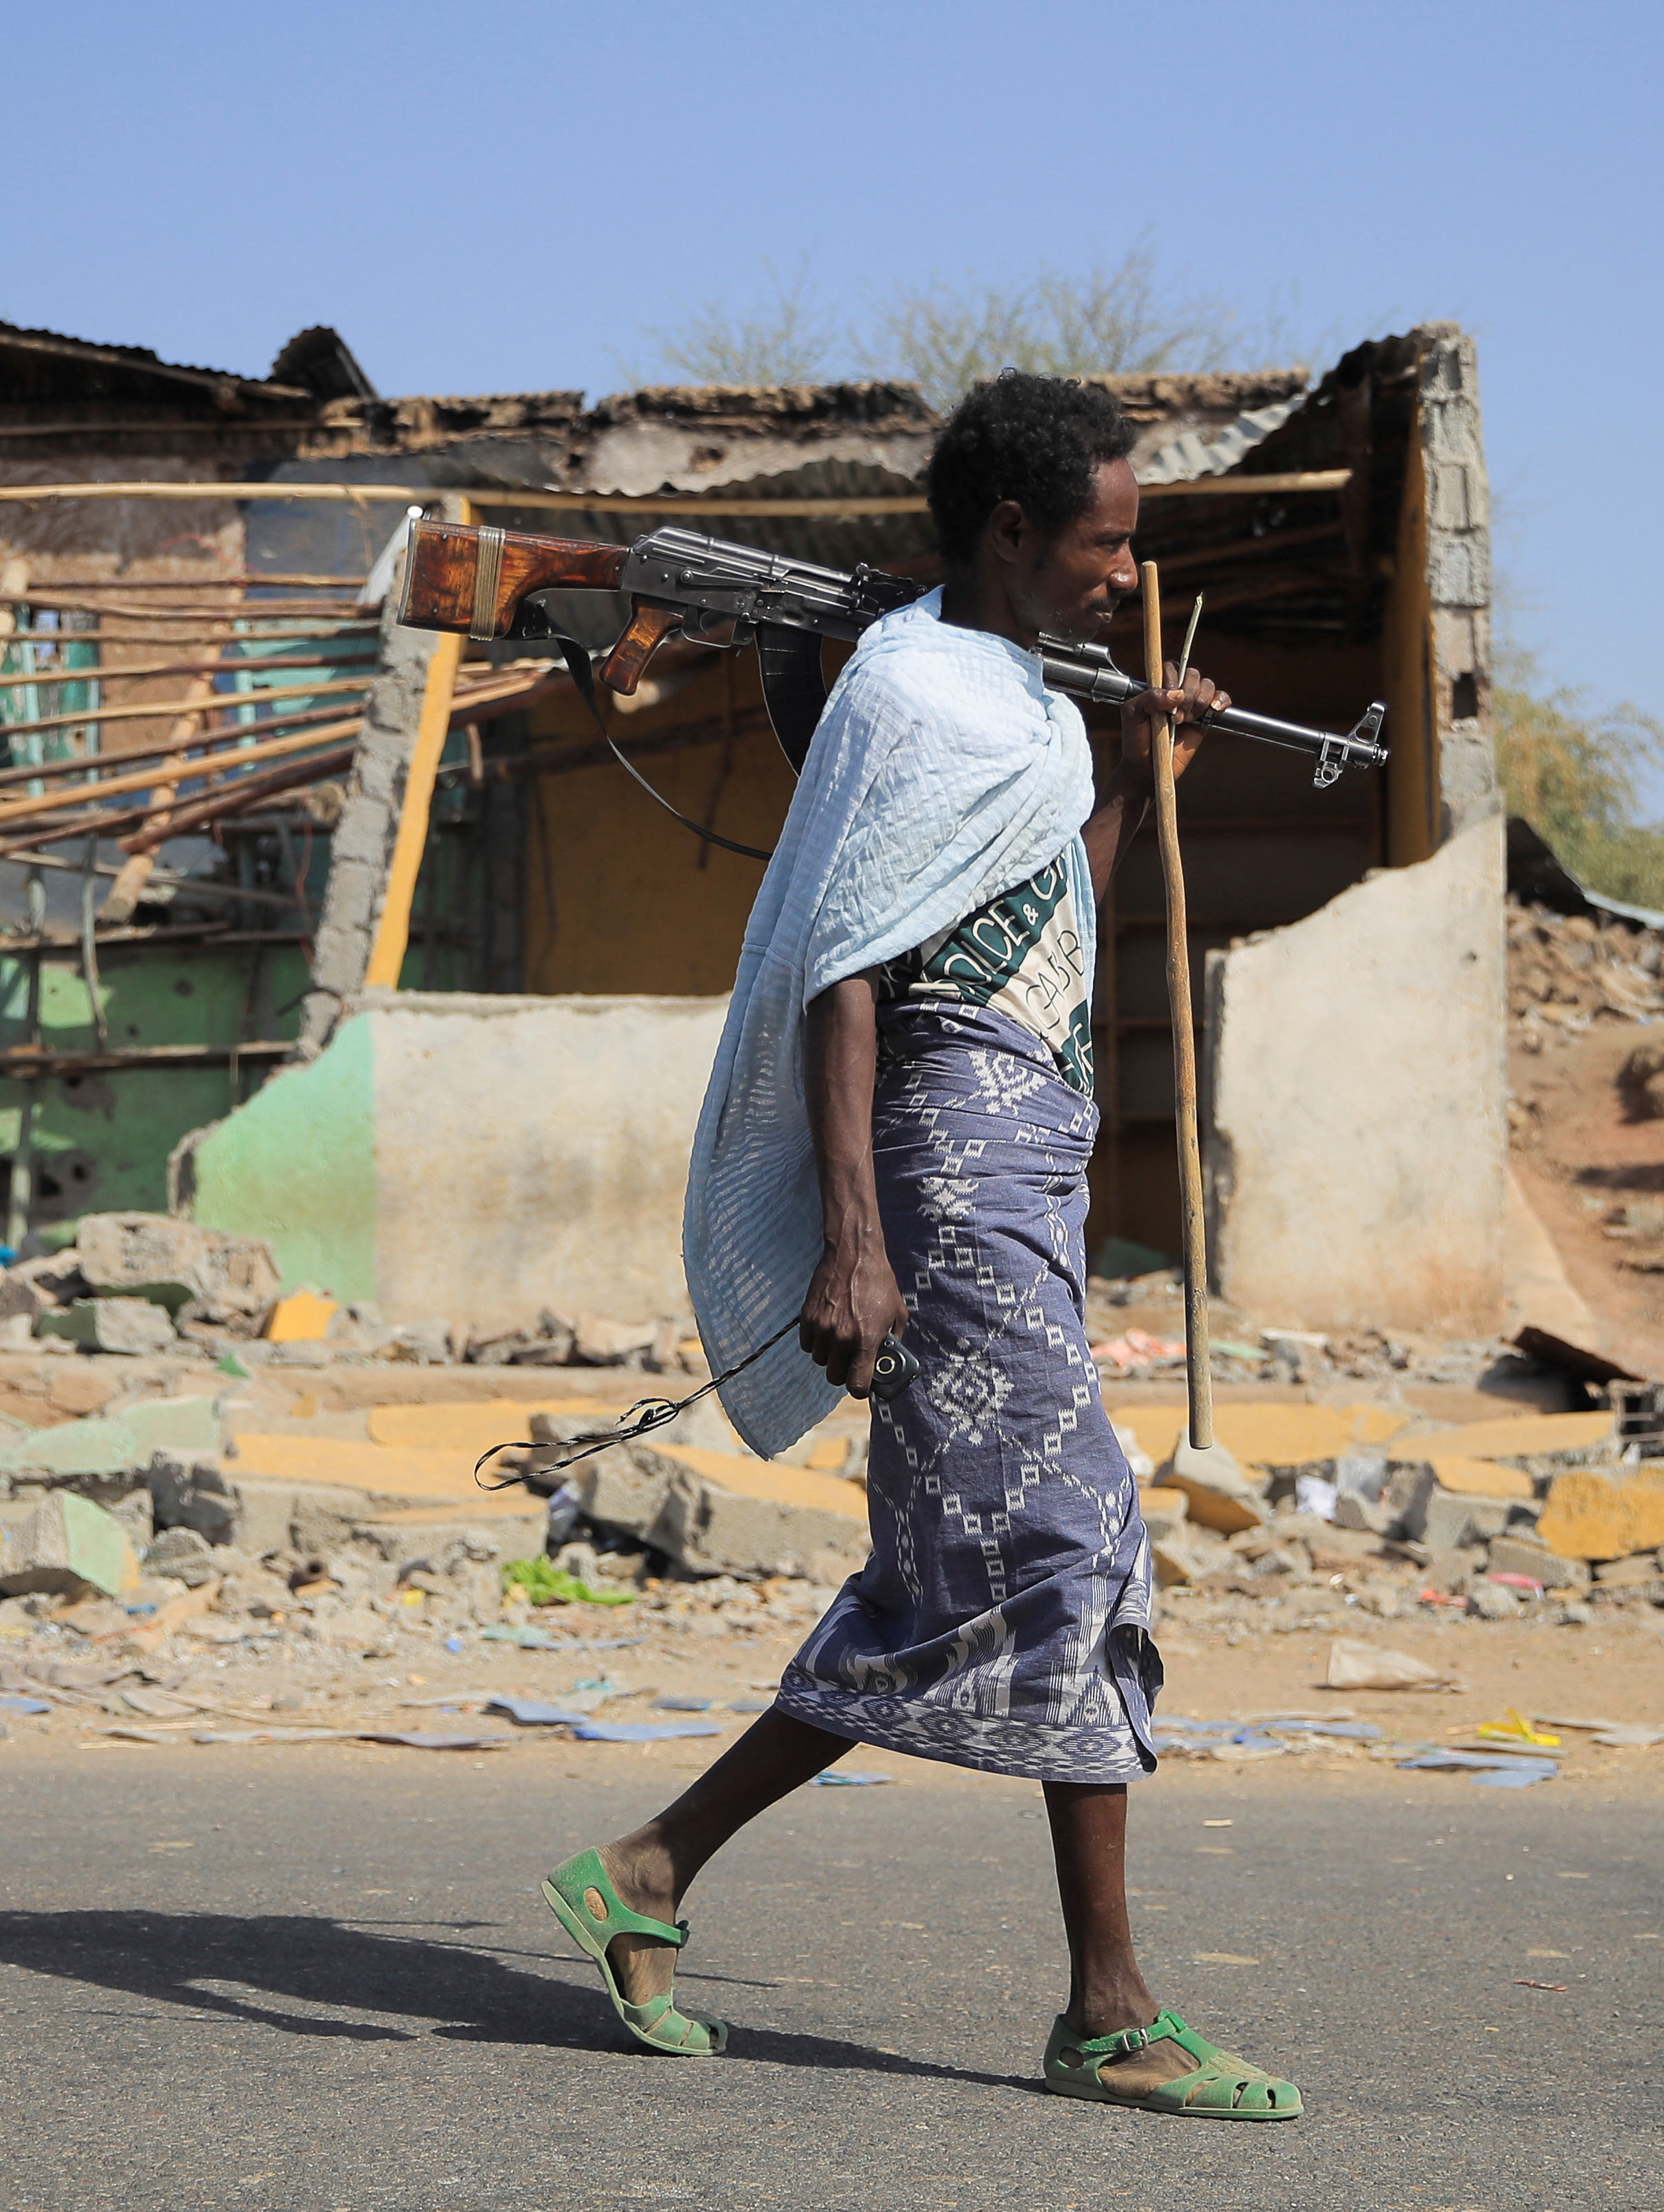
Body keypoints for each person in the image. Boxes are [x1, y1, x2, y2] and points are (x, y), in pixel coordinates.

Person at [536, 373, 1302, 2122]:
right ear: (1012, 531)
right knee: (1075, 1537)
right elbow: (852, 966)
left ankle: (649, 1870)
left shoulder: (1022, 706)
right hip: (945, 1162)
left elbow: (1053, 917)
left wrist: (1129, 769)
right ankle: (1109, 2009)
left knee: (976, 1565)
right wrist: (856, 1245)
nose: (1126, 572)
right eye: (1105, 542)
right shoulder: (912, 693)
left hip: (1021, 1147)